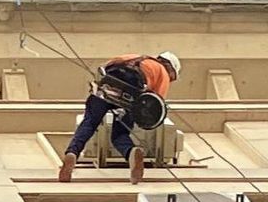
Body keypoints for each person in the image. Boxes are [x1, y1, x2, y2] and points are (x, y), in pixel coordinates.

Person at [58, 51, 180, 184]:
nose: (170, 80)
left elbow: (105, 69)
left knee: (90, 123)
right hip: (132, 94)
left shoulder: (133, 57)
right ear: (170, 68)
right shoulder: (162, 72)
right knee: (119, 134)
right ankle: (131, 152)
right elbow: (155, 104)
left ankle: (72, 153)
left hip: (107, 86)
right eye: (172, 77)